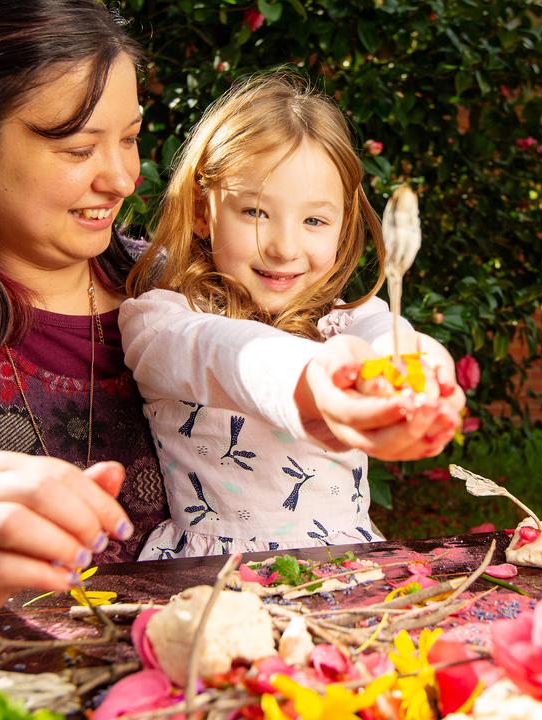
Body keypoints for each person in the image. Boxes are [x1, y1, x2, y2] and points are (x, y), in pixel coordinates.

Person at [0, 1, 451, 628]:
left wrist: (350, 384)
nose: (122, 179)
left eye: (128, 138)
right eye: (76, 149)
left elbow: (242, 351)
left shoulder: (167, 280)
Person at [121, 74, 463, 560]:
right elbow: (227, 355)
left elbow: (398, 343)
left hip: (349, 564)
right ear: (203, 211)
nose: (284, 247)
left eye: (314, 221)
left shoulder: (347, 319)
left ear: (343, 226)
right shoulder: (163, 321)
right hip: (213, 576)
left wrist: (428, 382)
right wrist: (316, 378)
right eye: (256, 212)